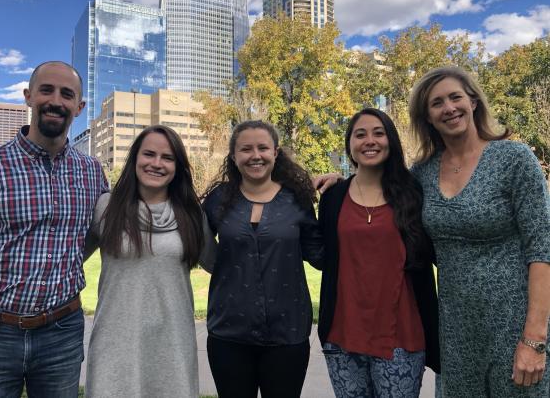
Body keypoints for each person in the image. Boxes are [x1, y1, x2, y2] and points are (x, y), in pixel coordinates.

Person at [0, 61, 108, 398]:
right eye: (46, 90)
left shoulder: (93, 172)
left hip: (63, 334)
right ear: (28, 97)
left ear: (79, 107)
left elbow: (93, 235)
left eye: (67, 94)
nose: (56, 100)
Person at [408, 65, 550, 397]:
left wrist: (534, 339)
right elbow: (384, 195)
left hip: (514, 326)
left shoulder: (513, 159)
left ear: (473, 102)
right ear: (428, 117)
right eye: (437, 103)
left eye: (456, 97)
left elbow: (542, 249)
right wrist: (340, 185)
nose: (449, 108)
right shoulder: (422, 173)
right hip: (456, 333)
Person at [318, 108, 440, 397]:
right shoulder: (333, 197)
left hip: (401, 335)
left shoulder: (415, 193)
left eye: (378, 133)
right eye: (360, 134)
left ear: (391, 141)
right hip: (342, 334)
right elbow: (321, 255)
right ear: (349, 144)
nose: (369, 141)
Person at [84, 125, 208, 398]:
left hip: (173, 343)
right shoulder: (106, 207)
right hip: (115, 343)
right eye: (149, 154)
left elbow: (224, 265)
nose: (156, 163)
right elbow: (64, 258)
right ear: (135, 159)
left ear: (177, 166)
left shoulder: (191, 214)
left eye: (167, 157)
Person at [202, 120, 322, 398]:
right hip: (228, 332)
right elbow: (198, 247)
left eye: (263, 148)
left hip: (287, 333)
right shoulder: (218, 199)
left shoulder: (297, 199)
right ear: (234, 156)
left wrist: (340, 195)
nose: (255, 155)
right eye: (246, 149)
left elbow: (320, 255)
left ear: (276, 152)